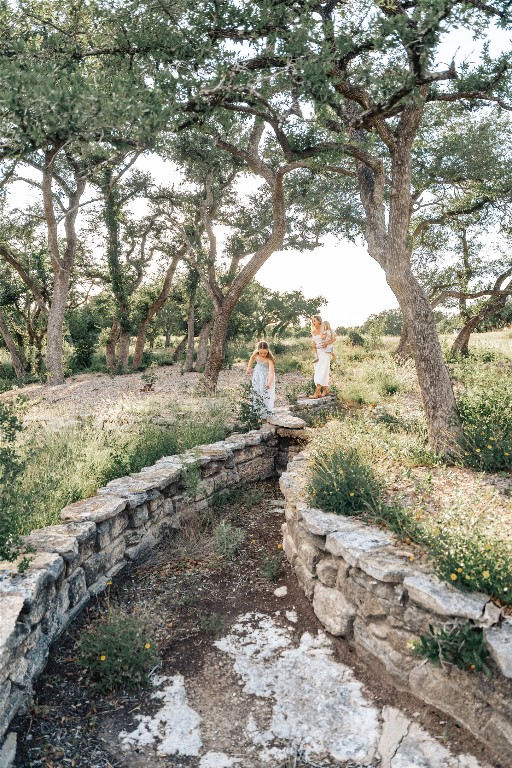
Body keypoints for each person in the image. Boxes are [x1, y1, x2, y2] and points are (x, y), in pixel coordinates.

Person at [246, 340, 276, 418]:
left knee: (265, 393)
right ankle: (256, 410)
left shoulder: (270, 359)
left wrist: (269, 383)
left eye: (265, 353)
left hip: (266, 377)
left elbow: (271, 373)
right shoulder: (256, 354)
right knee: (256, 390)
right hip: (257, 374)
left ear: (268, 351)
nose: (263, 354)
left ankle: (265, 413)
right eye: (261, 352)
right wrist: (249, 367)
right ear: (258, 350)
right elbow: (251, 359)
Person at [309, 316, 332, 398]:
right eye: (312, 321)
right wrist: (315, 355)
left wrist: (327, 343)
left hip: (324, 353)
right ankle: (326, 390)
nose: (313, 322)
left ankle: (317, 392)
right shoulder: (314, 332)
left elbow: (333, 338)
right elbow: (314, 345)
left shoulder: (324, 329)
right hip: (318, 353)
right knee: (318, 371)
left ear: (319, 321)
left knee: (322, 371)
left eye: (314, 320)